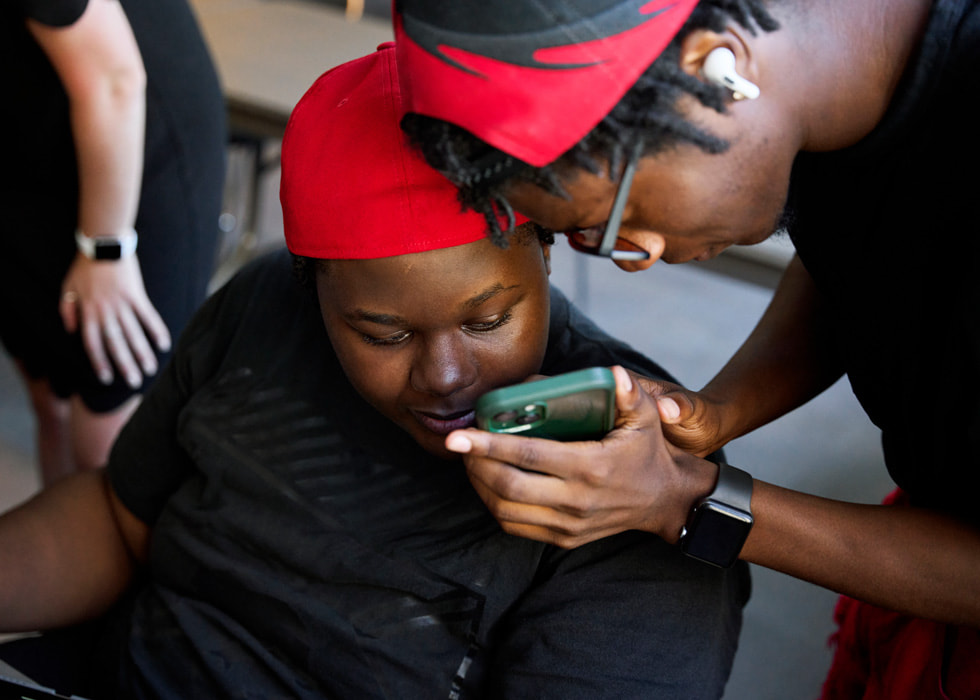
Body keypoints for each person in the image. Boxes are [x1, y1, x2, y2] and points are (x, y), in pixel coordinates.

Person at [0, 45, 748, 699]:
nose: (447, 376)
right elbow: (118, 518)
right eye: (381, 334)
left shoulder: (637, 482)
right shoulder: (263, 305)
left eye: (487, 321)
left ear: (547, 250)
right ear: (312, 285)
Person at [392, 0, 980, 696]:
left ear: (713, 64)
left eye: (611, 223)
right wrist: (714, 414)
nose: (634, 260)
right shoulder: (837, 74)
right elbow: (867, 251)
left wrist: (686, 501)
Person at [1, 0, 226, 484]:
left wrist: (105, 250)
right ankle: (67, 558)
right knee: (51, 397)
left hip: (132, 131)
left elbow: (115, 81)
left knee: (107, 437)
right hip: (29, 124)